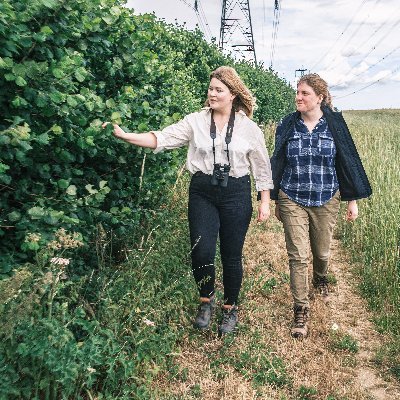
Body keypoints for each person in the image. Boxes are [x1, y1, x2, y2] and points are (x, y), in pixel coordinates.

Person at [103, 66, 273, 336]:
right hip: (203, 190)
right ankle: (206, 301)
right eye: (210, 89)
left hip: (236, 192)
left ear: (233, 94)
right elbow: (163, 138)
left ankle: (230, 308)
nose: (212, 94)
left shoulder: (248, 128)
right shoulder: (195, 121)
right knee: (201, 250)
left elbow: (262, 166)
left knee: (231, 254)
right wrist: (126, 135)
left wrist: (264, 200)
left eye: (219, 90)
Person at [271, 73, 372, 339]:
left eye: (304, 93)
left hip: (327, 197)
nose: (298, 97)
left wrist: (352, 201)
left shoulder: (335, 125)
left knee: (322, 252)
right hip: (292, 196)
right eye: (297, 92)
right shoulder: (287, 124)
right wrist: (272, 198)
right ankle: (301, 309)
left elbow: (348, 163)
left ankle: (321, 277)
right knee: (298, 256)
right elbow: (277, 161)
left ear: (319, 97)